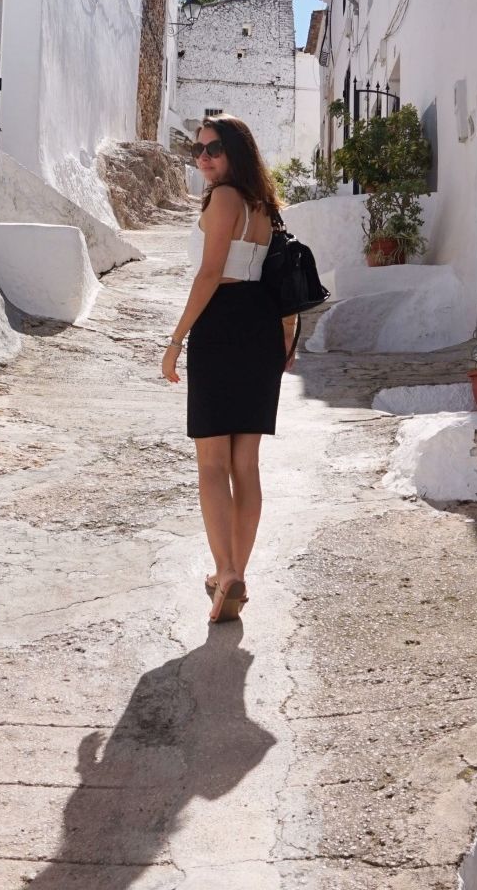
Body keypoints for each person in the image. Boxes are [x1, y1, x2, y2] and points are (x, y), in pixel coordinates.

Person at [160, 115, 299, 624]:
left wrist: (175, 340)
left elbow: (210, 274)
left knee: (212, 465)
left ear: (236, 151)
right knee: (246, 465)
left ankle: (224, 572)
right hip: (261, 328)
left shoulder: (224, 199)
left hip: (221, 326)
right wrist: (286, 339)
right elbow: (279, 280)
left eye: (214, 148)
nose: (203, 157)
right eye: (197, 150)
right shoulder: (266, 206)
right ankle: (237, 574)